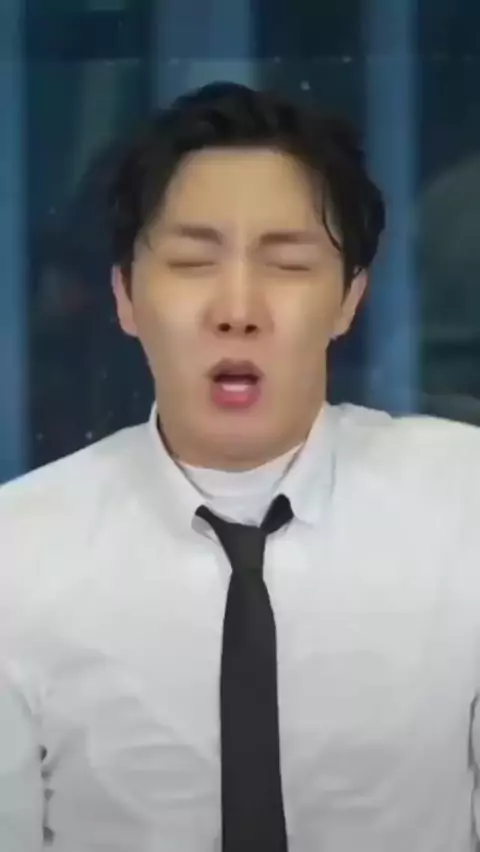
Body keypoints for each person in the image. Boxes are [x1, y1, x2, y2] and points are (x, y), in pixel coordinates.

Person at [1, 81, 480, 852]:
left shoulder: (465, 506)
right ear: (125, 296)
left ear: (349, 299)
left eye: (287, 264)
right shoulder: (16, 550)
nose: (238, 310)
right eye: (192, 261)